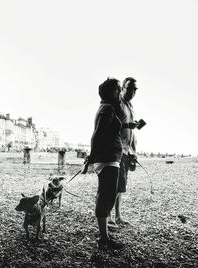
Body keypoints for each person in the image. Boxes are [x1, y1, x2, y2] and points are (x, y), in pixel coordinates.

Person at [82, 78, 124, 250]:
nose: (120, 93)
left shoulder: (109, 108)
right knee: (106, 195)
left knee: (107, 194)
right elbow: (97, 134)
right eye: (118, 89)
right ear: (112, 92)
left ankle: (104, 233)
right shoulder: (106, 108)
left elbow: (107, 130)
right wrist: (91, 156)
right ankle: (103, 238)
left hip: (110, 158)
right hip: (106, 158)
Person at [108, 77, 138, 228]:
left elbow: (131, 133)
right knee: (113, 185)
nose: (133, 92)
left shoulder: (130, 106)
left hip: (126, 150)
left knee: (120, 186)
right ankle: (108, 217)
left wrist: (133, 150)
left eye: (135, 89)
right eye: (130, 88)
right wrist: (128, 125)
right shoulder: (117, 103)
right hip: (117, 149)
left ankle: (118, 216)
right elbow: (112, 125)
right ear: (123, 88)